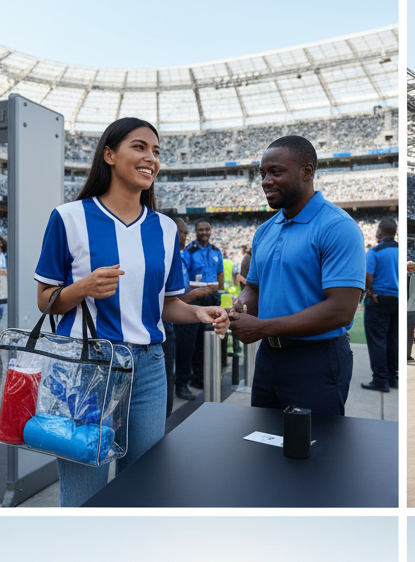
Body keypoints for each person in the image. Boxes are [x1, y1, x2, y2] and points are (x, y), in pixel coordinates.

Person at [34, 117, 228, 506]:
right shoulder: (68, 217)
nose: (150, 159)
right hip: (88, 367)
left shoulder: (166, 228)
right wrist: (82, 288)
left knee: (142, 491)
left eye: (156, 152)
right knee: (84, 493)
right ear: (109, 154)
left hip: (150, 370)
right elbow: (45, 300)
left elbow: (167, 304)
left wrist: (199, 314)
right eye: (139, 147)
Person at [229, 135, 365, 416]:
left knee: (314, 451)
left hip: (316, 359)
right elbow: (253, 288)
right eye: (263, 174)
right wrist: (239, 308)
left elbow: (341, 310)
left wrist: (262, 328)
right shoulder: (265, 230)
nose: (266, 181)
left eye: (276, 172)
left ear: (307, 172)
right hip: (269, 356)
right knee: (264, 444)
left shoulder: (338, 226)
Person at [182, 219, 226, 386]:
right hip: (195, 299)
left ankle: (207, 375)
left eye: (207, 229)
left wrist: (219, 291)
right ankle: (193, 378)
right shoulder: (189, 251)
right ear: (196, 231)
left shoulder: (216, 251)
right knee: (193, 341)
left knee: (211, 338)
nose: (204, 232)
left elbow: (220, 274)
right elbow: (184, 276)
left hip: (212, 299)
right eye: (201, 230)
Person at [361, 217, 399, 391]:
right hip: (397, 299)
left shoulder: (374, 252)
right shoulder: (400, 250)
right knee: (393, 340)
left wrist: (369, 290)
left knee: (377, 341)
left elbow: (368, 276)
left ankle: (380, 380)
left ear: (380, 233)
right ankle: (392, 377)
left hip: (379, 299)